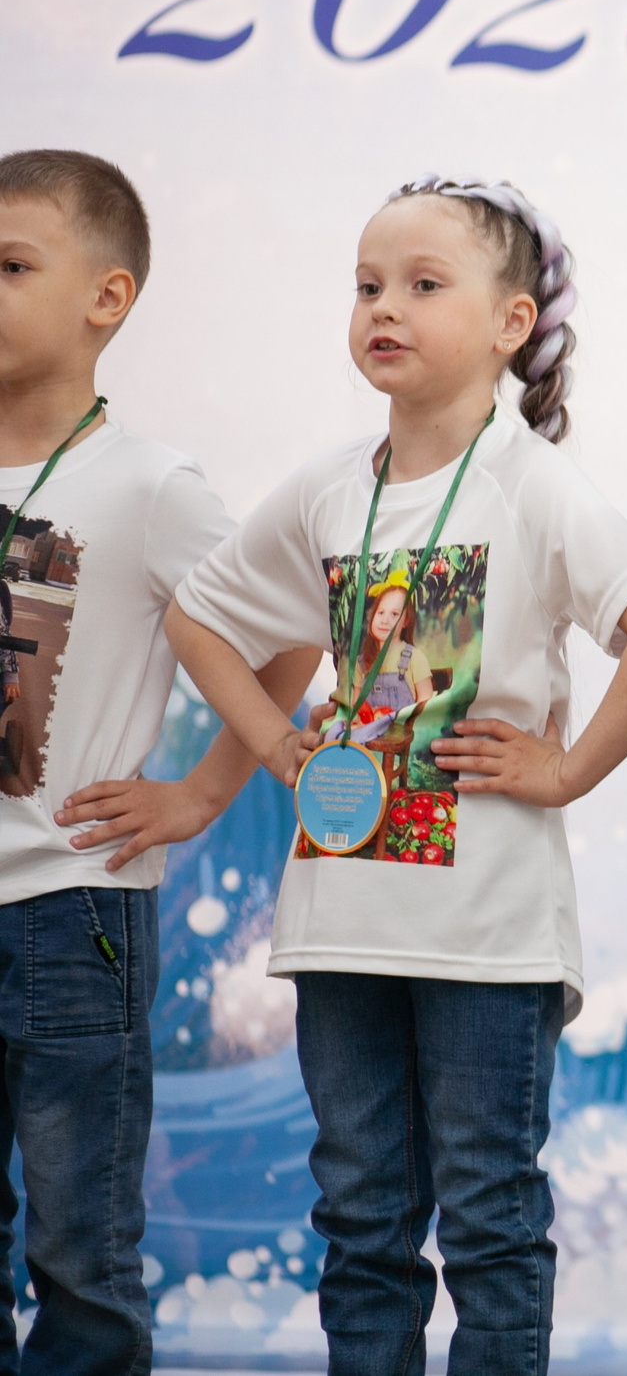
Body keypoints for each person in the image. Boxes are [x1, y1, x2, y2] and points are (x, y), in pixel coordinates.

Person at [167, 175, 627, 1376]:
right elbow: (201, 615)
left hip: (487, 940)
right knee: (362, 1224)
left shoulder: (529, 482)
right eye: (368, 286)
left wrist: (562, 770)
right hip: (340, 922)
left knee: (489, 1224)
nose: (384, 308)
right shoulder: (328, 486)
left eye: (423, 285)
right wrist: (274, 745)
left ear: (513, 323)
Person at [0, 149, 309, 1375]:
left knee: (81, 1251)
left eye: (12, 265)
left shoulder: (149, 484)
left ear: (107, 299)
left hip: (72, 914)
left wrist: (203, 789)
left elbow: (286, 635)